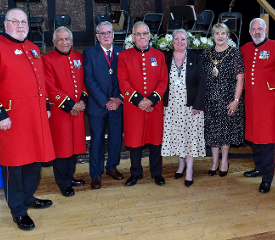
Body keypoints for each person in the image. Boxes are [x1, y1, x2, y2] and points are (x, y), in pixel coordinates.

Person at [0, 8, 55, 231]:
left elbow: (41, 81)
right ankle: (17, 210)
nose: (21, 25)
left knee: (34, 160)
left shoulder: (33, 48)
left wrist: (45, 107)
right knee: (13, 164)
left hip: (35, 117)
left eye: (24, 21)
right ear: (5, 25)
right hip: (11, 119)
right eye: (15, 21)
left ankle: (27, 197)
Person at [117, 22, 168, 186]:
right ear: (133, 37)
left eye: (145, 33)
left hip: (154, 106)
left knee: (155, 141)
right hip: (134, 107)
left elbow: (163, 81)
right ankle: (136, 172)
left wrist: (151, 100)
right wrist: (139, 101)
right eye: (138, 34)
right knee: (135, 141)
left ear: (150, 35)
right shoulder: (124, 56)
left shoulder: (159, 55)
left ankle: (156, 173)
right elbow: (123, 83)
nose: (142, 37)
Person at [241, 18, 275, 193]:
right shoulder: (245, 48)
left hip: (270, 101)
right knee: (254, 136)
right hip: (252, 100)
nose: (257, 32)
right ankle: (258, 167)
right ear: (250, 31)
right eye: (253, 29)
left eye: (260, 28)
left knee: (267, 139)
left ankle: (267, 177)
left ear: (266, 29)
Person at [43, 27, 88, 197]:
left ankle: (69, 177)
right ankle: (63, 182)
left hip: (78, 110)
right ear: (53, 42)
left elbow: (84, 81)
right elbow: (50, 87)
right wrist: (71, 105)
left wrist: (83, 101)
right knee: (62, 148)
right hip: (60, 111)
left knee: (74, 146)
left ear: (72, 40)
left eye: (67, 39)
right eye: (60, 39)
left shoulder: (78, 56)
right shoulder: (46, 59)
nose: (64, 42)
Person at [162, 29, 206, 187]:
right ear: (172, 41)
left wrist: (198, 105)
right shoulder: (166, 57)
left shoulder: (195, 57)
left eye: (183, 39)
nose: (180, 42)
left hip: (191, 107)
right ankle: (180, 165)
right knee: (177, 137)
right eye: (176, 39)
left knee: (190, 138)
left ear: (188, 41)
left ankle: (189, 170)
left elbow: (202, 82)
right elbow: (161, 81)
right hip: (172, 107)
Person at [83, 21, 124, 189]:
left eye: (109, 32)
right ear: (97, 36)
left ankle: (112, 167)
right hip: (97, 105)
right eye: (102, 33)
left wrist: (119, 99)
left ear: (113, 35)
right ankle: (95, 173)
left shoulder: (123, 53)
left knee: (115, 139)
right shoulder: (89, 53)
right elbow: (89, 80)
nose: (106, 36)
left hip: (117, 105)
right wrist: (106, 101)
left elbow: (127, 79)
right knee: (97, 140)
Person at [201, 23, 244, 178]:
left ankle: (224, 161)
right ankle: (214, 162)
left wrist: (236, 100)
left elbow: (240, 79)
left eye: (223, 33)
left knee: (226, 131)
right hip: (210, 99)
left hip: (228, 99)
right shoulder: (206, 53)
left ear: (228, 36)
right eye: (217, 33)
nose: (220, 36)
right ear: (213, 36)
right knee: (212, 131)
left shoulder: (234, 53)